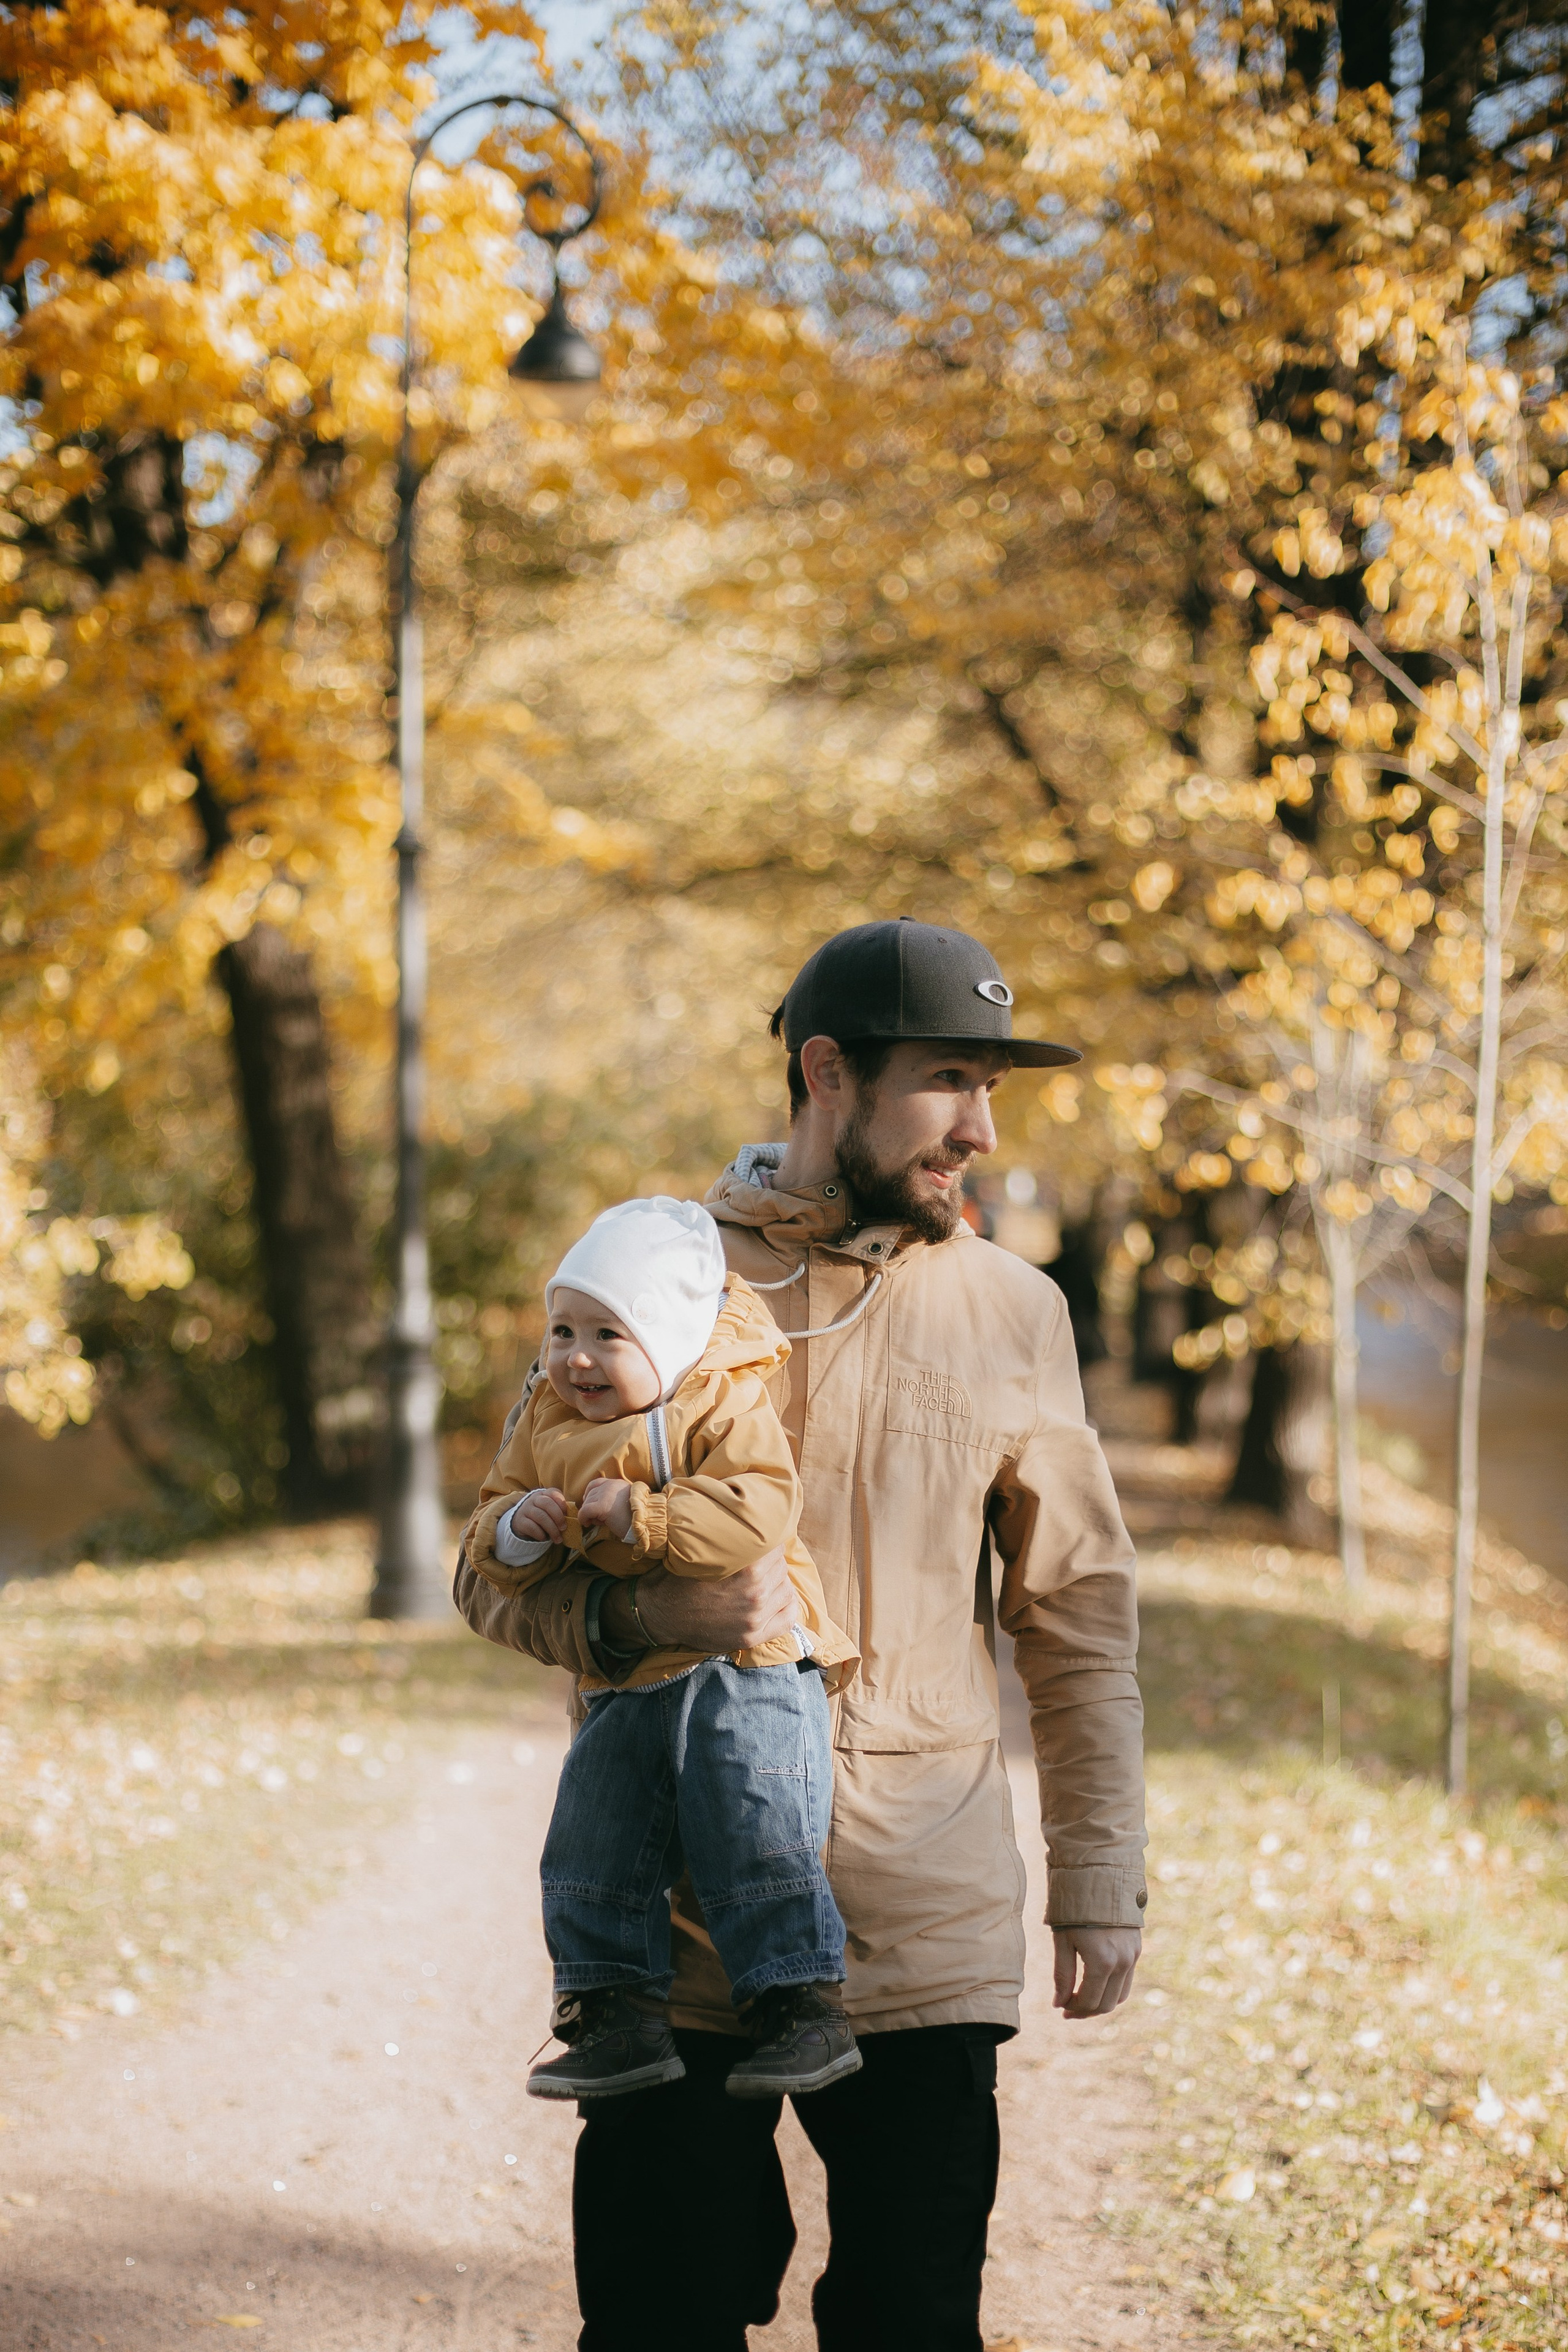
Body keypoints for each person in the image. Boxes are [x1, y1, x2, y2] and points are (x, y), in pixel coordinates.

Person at [455, 916, 1147, 2352]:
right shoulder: (650, 1282)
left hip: (919, 1924)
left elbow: (1073, 1619)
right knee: (659, 2320)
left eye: (991, 1086)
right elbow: (487, 1561)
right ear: (826, 1073)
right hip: (681, 1935)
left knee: (907, 2322)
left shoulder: (1017, 1313)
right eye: (949, 1077)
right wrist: (650, 1607)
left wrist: (1096, 1875)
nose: (979, 1124)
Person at [462, 1195, 859, 2102]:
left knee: (757, 1821)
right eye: (563, 1329)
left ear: (670, 1338)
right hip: (624, 1678)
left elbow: (763, 1506)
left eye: (609, 1334)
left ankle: (798, 2001)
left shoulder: (720, 1398)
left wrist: (644, 1517)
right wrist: (518, 1530)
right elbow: (488, 1532)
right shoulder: (547, 1422)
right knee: (593, 1837)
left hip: (748, 1669)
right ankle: (610, 2012)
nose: (576, 1358)